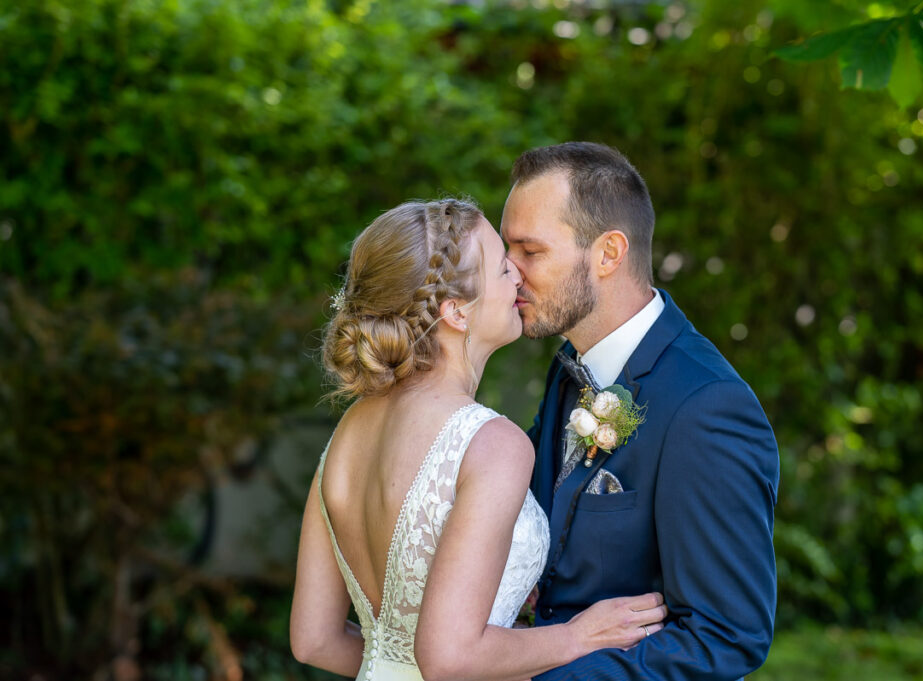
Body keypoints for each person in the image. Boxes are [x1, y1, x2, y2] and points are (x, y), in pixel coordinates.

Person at [289, 199, 668, 681]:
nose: (518, 275)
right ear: (455, 312)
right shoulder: (490, 444)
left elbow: (313, 640)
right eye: (500, 266)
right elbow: (450, 658)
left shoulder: (344, 438)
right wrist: (578, 636)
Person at [500, 142, 780, 680]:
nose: (510, 273)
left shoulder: (707, 408)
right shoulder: (567, 371)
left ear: (608, 254)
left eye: (529, 252)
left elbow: (725, 637)